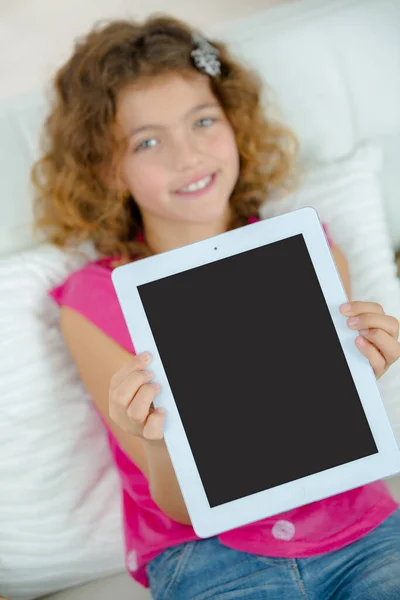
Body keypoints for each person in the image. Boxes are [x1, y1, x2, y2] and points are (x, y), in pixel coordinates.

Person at [32, 15, 400, 599]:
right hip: (206, 556)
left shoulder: (309, 249)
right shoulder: (94, 300)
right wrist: (156, 439)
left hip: (361, 530)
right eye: (147, 141)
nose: (188, 155)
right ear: (109, 168)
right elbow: (182, 507)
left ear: (234, 124)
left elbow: (333, 431)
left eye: (203, 121)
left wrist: (362, 372)